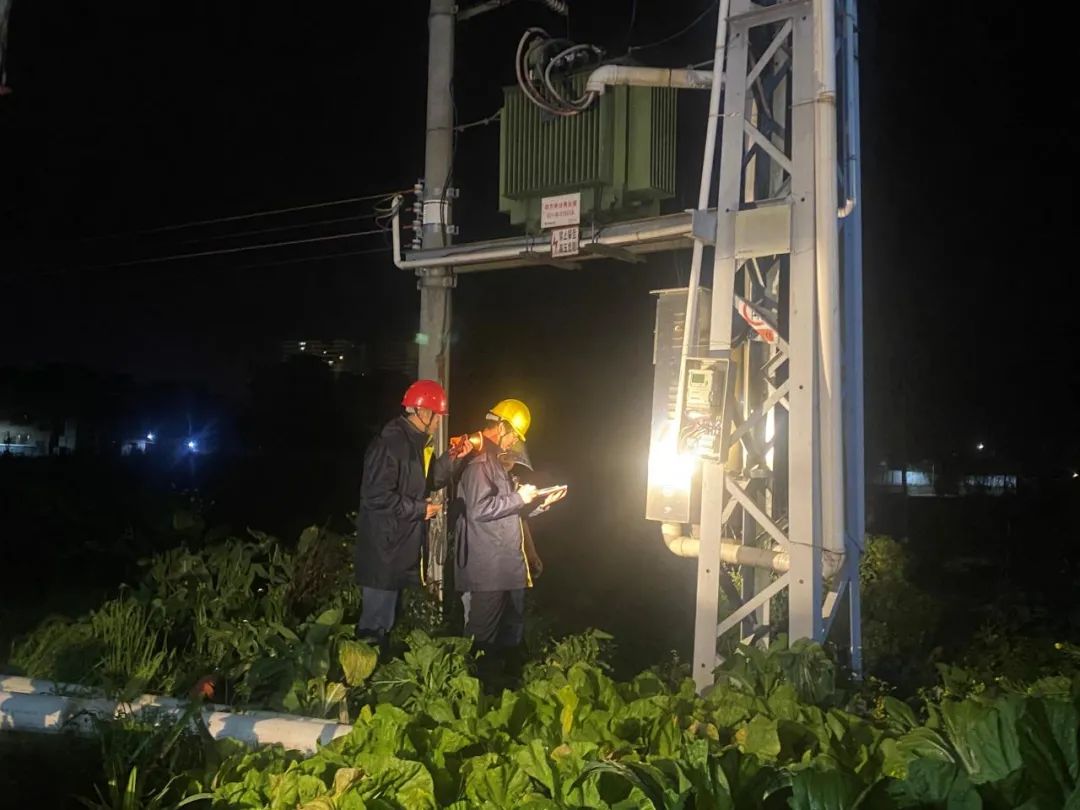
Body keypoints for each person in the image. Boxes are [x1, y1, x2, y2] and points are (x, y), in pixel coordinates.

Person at [453, 398, 564, 680]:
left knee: (506, 640)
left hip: (504, 568)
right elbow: (479, 510)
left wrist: (540, 503)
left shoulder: (497, 466)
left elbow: (508, 512)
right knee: (481, 641)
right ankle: (472, 693)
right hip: (488, 570)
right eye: (514, 434)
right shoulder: (480, 466)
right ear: (501, 427)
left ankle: (499, 690)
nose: (515, 441)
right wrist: (519, 497)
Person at [354, 379, 470, 647]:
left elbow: (429, 480)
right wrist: (420, 509)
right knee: (374, 627)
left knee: (386, 623)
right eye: (437, 415)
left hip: (396, 550)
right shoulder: (390, 444)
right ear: (422, 412)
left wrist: (454, 457)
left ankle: (374, 666)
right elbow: (376, 497)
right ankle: (357, 670)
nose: (439, 421)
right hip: (383, 552)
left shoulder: (414, 443)